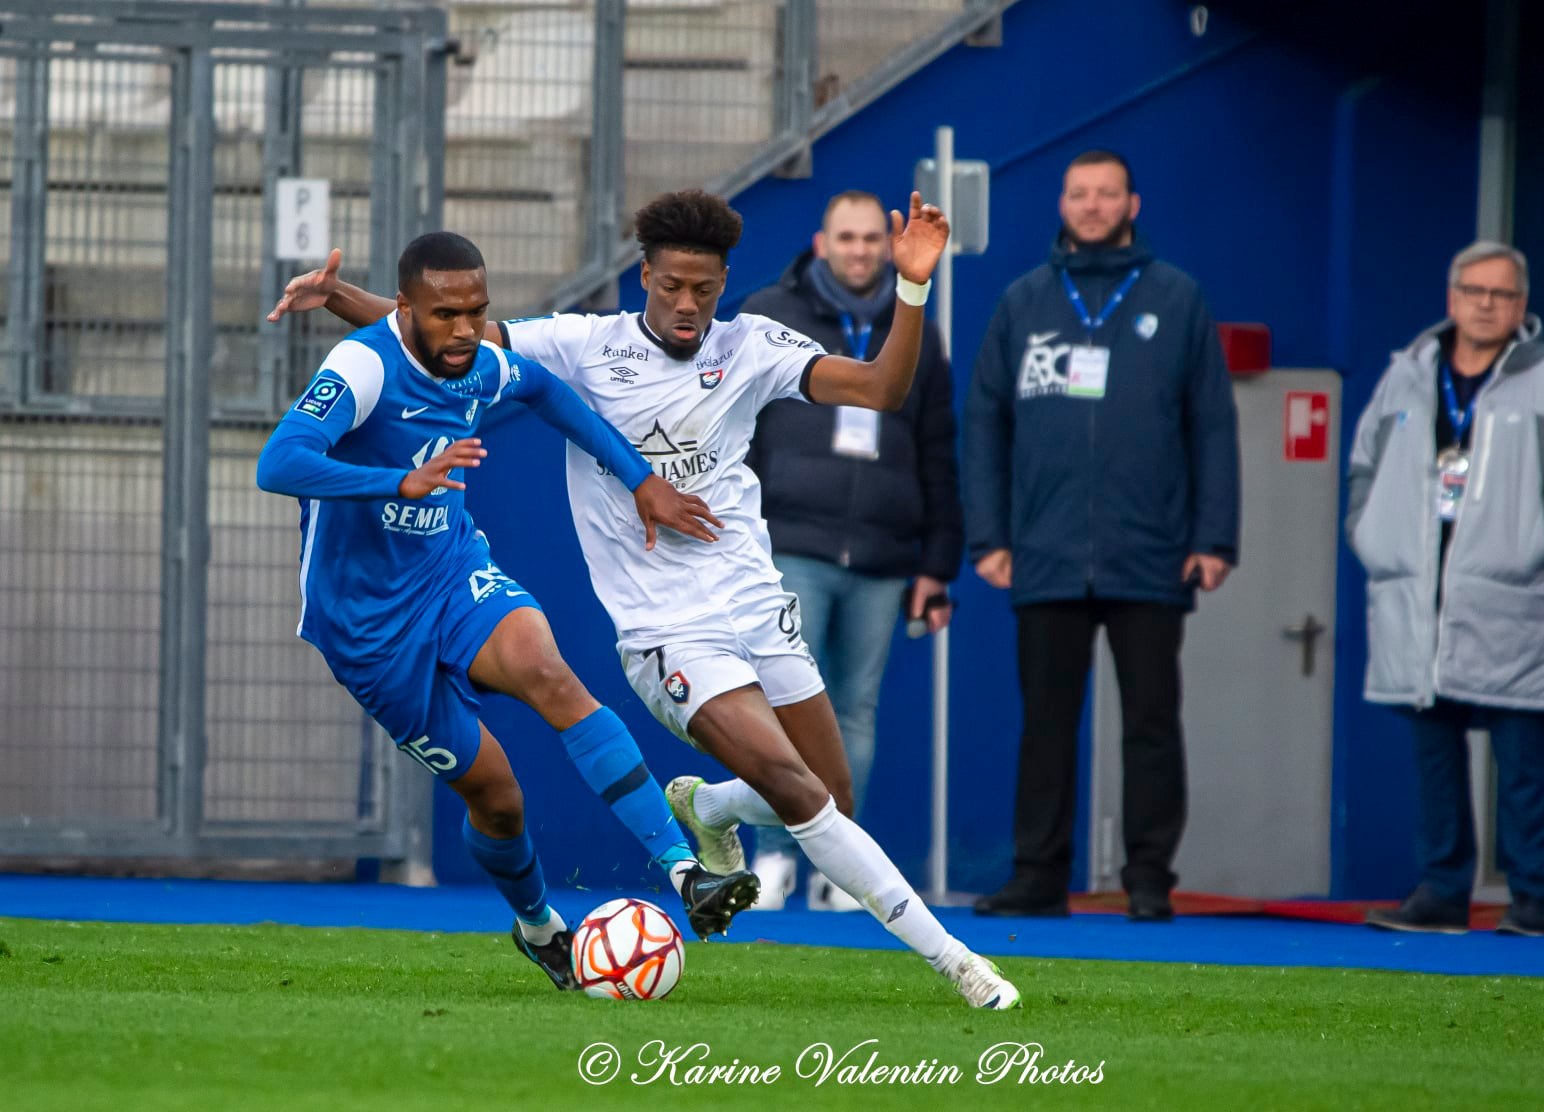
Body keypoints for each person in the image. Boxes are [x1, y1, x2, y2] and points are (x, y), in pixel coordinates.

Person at [269, 192, 1020, 1009]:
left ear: (725, 282)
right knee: (755, 791)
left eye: (704, 289)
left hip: (747, 598)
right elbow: (442, 337)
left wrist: (912, 287)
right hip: (658, 626)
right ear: (645, 278)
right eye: (672, 287)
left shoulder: (755, 344)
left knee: (828, 795)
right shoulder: (586, 344)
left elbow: (880, 389)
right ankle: (958, 964)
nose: (688, 304)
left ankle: (710, 807)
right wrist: (346, 309)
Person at [256, 231, 760, 994]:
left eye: (477, 311)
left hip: (450, 573)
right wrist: (398, 482)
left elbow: (548, 394)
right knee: (496, 797)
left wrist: (638, 480)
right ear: (405, 310)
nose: (466, 330)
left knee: (546, 669)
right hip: (366, 628)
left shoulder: (480, 365)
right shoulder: (362, 366)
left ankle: (686, 872)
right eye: (446, 315)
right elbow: (279, 462)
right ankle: (539, 926)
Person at [963, 150, 1240, 922]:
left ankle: (1148, 878)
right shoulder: (1025, 300)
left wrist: (1214, 538)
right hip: (1044, 551)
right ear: (1063, 203)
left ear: (1132, 204)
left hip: (1151, 552)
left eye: (1107, 193)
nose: (1092, 205)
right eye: (1080, 193)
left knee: (1151, 725)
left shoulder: (1176, 298)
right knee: (1045, 727)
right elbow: (984, 424)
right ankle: (1037, 876)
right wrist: (989, 536)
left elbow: (1213, 425)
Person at [1350, 241, 1544, 938]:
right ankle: (1442, 892)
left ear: (1522, 306)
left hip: (1507, 597)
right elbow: (1363, 465)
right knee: (1435, 759)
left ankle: (1529, 897)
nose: (1486, 305)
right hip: (1422, 598)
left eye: (1501, 294)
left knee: (1521, 760)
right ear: (1452, 298)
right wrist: (1368, 533)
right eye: (1474, 291)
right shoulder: (1407, 375)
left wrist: (1537, 539)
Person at [738, 189, 964, 911]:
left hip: (882, 555)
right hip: (791, 543)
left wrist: (937, 563)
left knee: (854, 711)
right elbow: (733, 425)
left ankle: (840, 864)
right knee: (782, 701)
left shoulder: (915, 324)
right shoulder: (769, 313)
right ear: (822, 242)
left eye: (872, 238)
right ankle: (775, 856)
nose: (861, 250)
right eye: (848, 237)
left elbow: (938, 448)